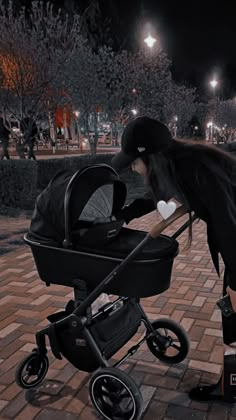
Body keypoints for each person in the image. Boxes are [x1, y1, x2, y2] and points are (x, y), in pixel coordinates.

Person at [112, 116, 236, 403]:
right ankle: (230, 384)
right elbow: (165, 198)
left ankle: (230, 387)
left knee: (234, 317)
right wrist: (125, 216)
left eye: (133, 161)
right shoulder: (182, 162)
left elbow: (226, 220)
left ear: (150, 157)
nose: (132, 167)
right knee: (233, 316)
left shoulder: (194, 168)